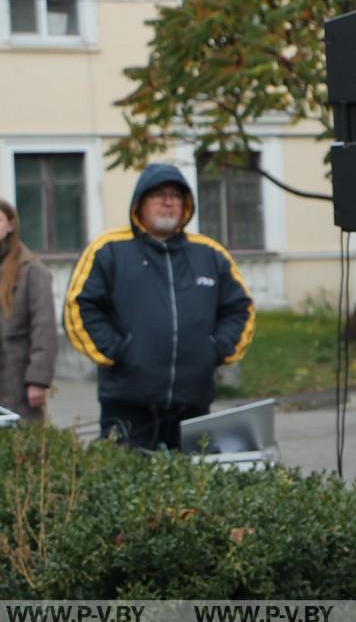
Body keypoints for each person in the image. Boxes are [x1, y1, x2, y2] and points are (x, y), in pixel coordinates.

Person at [64, 163, 255, 450]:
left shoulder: (210, 254)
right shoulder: (108, 249)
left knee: (192, 488)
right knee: (126, 488)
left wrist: (216, 349)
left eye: (176, 195)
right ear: (140, 202)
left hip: (192, 404)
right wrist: (118, 351)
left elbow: (240, 307)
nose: (168, 202)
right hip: (127, 404)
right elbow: (79, 307)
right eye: (159, 194)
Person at [0, 200, 57, 423]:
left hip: (17, 380)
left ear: (11, 225)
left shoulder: (32, 270)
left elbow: (44, 327)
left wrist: (38, 380)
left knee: (20, 447)